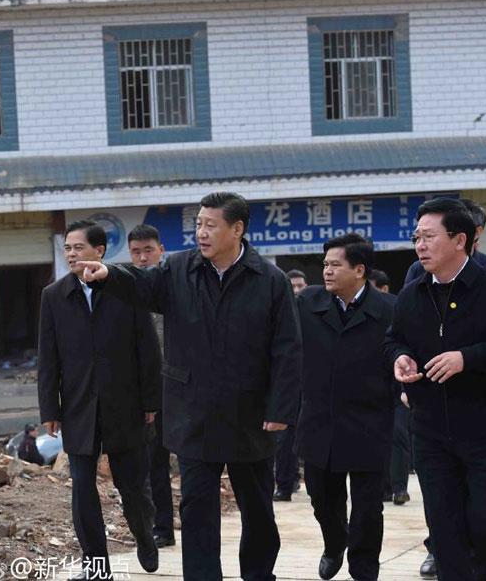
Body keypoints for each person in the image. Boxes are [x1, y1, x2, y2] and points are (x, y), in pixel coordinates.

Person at [80, 192, 302, 581]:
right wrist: (109, 274)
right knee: (197, 509)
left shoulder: (270, 281)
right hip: (193, 411)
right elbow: (143, 285)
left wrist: (281, 409)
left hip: (249, 415)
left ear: (237, 229)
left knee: (258, 510)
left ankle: (258, 575)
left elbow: (288, 350)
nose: (201, 232)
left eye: (210, 225)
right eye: (198, 223)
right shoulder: (179, 269)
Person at [385, 197, 486, 581]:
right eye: (416, 236)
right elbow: (394, 338)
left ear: (460, 240)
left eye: (429, 236)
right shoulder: (412, 293)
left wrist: (466, 359)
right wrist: (400, 358)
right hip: (431, 430)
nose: (420, 245)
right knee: (444, 527)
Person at [38, 220, 162, 580]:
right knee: (82, 487)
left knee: (133, 487)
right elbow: (48, 359)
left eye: (79, 247)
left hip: (126, 405)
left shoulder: (127, 289)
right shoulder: (54, 296)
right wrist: (50, 409)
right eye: (68, 248)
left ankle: (145, 536)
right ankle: (96, 565)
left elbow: (148, 352)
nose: (72, 254)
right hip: (78, 407)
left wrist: (151, 401)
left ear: (100, 251)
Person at [295, 234, 396, 581]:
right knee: (322, 500)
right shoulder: (307, 303)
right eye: (325, 264)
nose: (326, 271)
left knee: (368, 508)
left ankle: (364, 569)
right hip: (319, 420)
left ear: (359, 270)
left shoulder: (388, 311)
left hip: (369, 421)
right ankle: (335, 543)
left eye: (335, 264)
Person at [127, 224, 175, 549]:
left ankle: (173, 526)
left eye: (148, 251)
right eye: (136, 252)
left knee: (183, 463)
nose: (143, 258)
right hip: (144, 395)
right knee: (149, 464)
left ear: (161, 250)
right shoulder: (124, 291)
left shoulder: (175, 289)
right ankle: (158, 528)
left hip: (179, 390)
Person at [370, 269, 411, 507]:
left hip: (399, 382)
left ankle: (399, 488)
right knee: (377, 436)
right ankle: (385, 488)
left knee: (398, 435)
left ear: (384, 289)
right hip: (375, 385)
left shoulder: (399, 307)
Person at [273, 269, 308, 502]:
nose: (296, 291)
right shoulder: (278, 312)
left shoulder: (316, 311)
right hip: (286, 384)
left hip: (312, 384)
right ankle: (284, 484)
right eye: (292, 286)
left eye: (300, 286)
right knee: (284, 437)